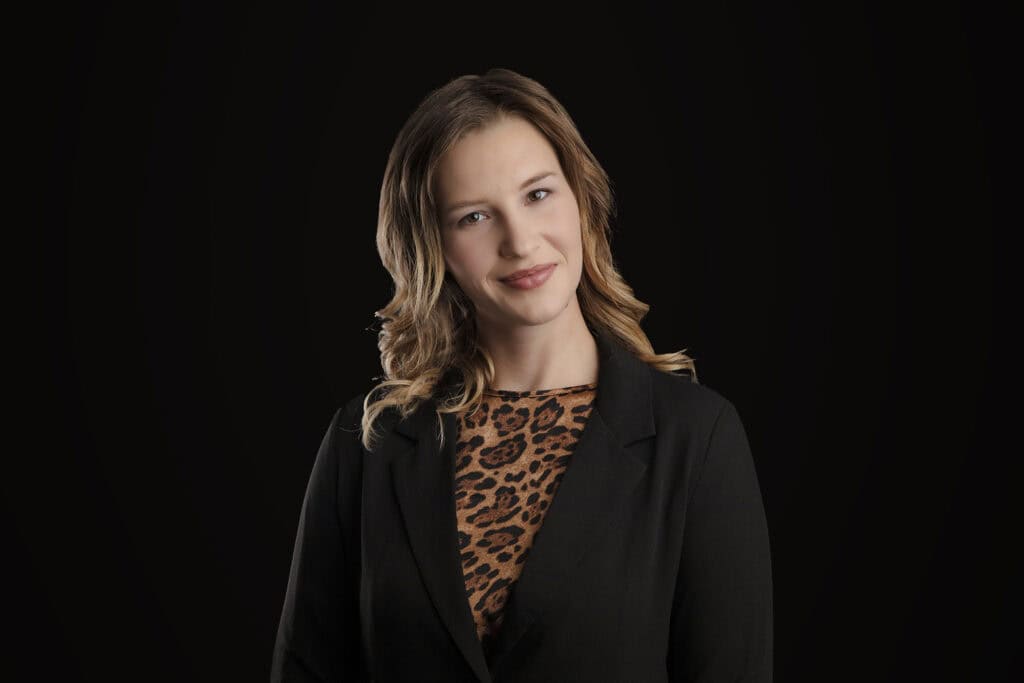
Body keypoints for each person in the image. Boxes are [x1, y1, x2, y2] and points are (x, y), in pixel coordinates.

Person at [271, 68, 773, 682]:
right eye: (474, 217)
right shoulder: (366, 443)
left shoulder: (698, 439)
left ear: (580, 198)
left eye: (537, 194)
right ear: (434, 247)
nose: (520, 241)